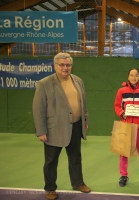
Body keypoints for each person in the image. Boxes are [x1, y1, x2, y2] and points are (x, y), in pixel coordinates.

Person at [32, 52, 91, 200]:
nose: (65, 68)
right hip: (54, 129)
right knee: (51, 161)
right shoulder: (44, 83)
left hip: (76, 126)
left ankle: (78, 183)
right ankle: (50, 188)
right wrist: (41, 131)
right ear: (55, 66)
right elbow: (38, 108)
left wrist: (85, 120)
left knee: (75, 158)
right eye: (62, 65)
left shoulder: (78, 80)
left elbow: (83, 103)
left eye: (68, 65)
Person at [114, 68, 139, 187]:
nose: (134, 77)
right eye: (131, 75)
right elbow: (117, 106)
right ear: (128, 77)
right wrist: (122, 113)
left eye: (136, 75)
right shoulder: (121, 91)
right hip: (126, 127)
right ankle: (124, 175)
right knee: (124, 152)